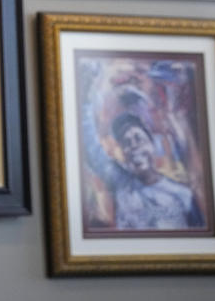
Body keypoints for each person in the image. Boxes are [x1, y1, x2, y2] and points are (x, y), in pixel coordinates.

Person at [82, 85, 205, 231]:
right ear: (123, 153)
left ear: (152, 145)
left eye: (138, 139)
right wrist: (86, 100)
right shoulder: (121, 182)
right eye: (126, 143)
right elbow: (92, 149)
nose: (134, 148)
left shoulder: (183, 195)